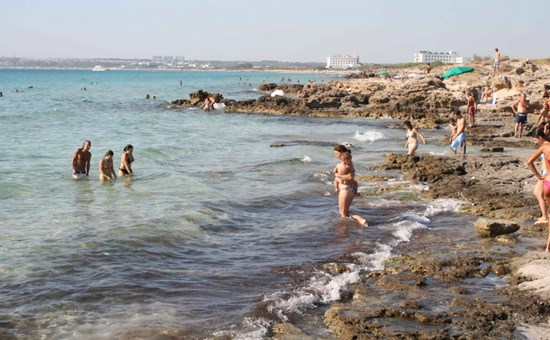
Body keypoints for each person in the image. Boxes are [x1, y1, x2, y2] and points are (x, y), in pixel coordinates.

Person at [527, 128, 550, 251]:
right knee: (537, 193)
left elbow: (529, 162)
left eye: (535, 139)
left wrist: (539, 176)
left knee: (538, 193)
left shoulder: (543, 148)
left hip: (547, 179)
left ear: (540, 137)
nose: (535, 142)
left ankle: (548, 248)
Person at [333, 151, 367, 226]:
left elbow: (350, 177)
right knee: (345, 212)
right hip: (349, 190)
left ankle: (346, 230)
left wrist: (338, 176)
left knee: (343, 214)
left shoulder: (344, 166)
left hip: (345, 190)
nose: (347, 165)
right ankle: (359, 221)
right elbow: (335, 172)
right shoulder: (343, 165)